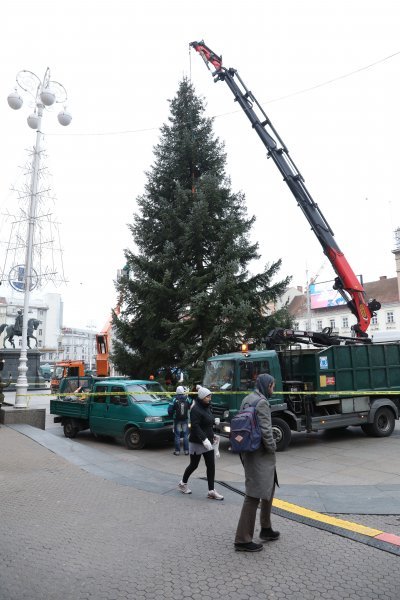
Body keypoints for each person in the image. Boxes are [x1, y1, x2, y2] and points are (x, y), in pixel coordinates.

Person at [234, 373, 280, 552]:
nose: (273, 389)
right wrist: (272, 448)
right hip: (260, 455)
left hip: (249, 451)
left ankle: (266, 528)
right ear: (266, 385)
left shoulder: (247, 398)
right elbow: (267, 432)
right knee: (253, 495)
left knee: (268, 488)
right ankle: (242, 539)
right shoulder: (262, 403)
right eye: (272, 386)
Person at [178, 385, 224, 500]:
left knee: (211, 465)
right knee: (194, 465)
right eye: (208, 397)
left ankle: (211, 491)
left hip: (208, 441)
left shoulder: (207, 406)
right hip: (197, 441)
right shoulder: (195, 409)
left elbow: (207, 419)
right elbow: (195, 426)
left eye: (210, 396)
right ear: (202, 397)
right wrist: (204, 439)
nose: (210, 398)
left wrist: (214, 421)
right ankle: (182, 484)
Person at [168, 385, 192, 455]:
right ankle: (186, 451)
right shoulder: (187, 398)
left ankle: (177, 451)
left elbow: (170, 410)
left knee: (177, 435)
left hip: (177, 419)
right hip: (185, 419)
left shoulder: (174, 399)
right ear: (183, 391)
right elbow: (191, 405)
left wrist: (171, 416)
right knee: (185, 435)